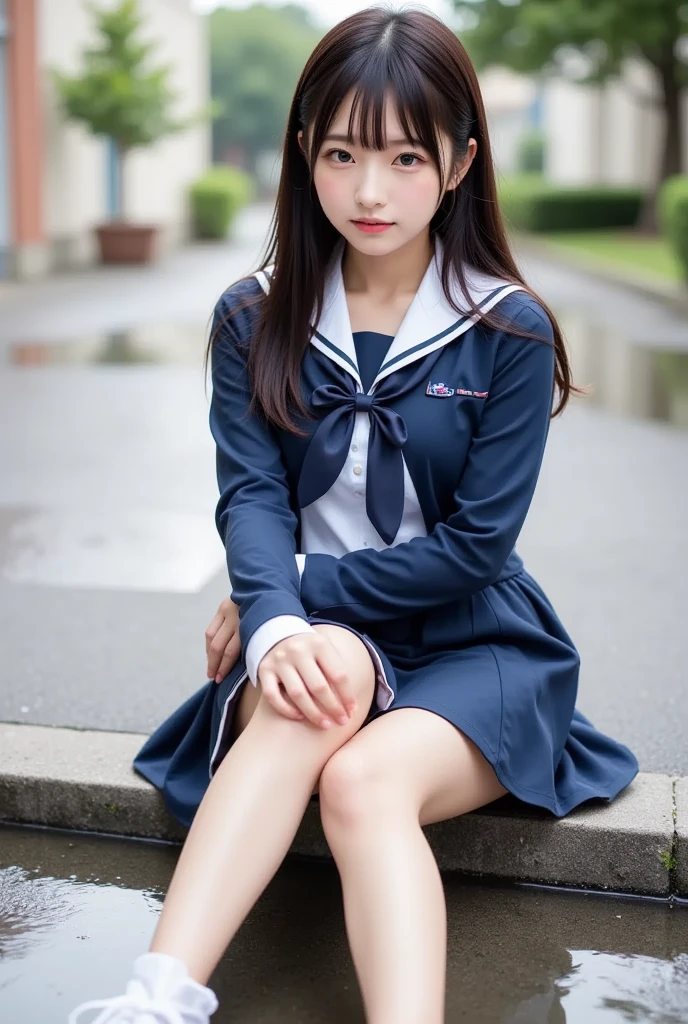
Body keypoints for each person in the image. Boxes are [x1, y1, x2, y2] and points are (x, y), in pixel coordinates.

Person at [69, 5, 638, 1023]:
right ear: (303, 154)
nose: (370, 191)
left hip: (475, 641)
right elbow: (247, 488)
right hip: (315, 638)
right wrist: (281, 619)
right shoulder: (256, 311)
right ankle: (155, 1000)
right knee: (310, 691)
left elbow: (476, 547)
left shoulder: (504, 329)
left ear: (461, 162)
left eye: (406, 158)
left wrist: (284, 595)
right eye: (341, 154)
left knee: (365, 783)